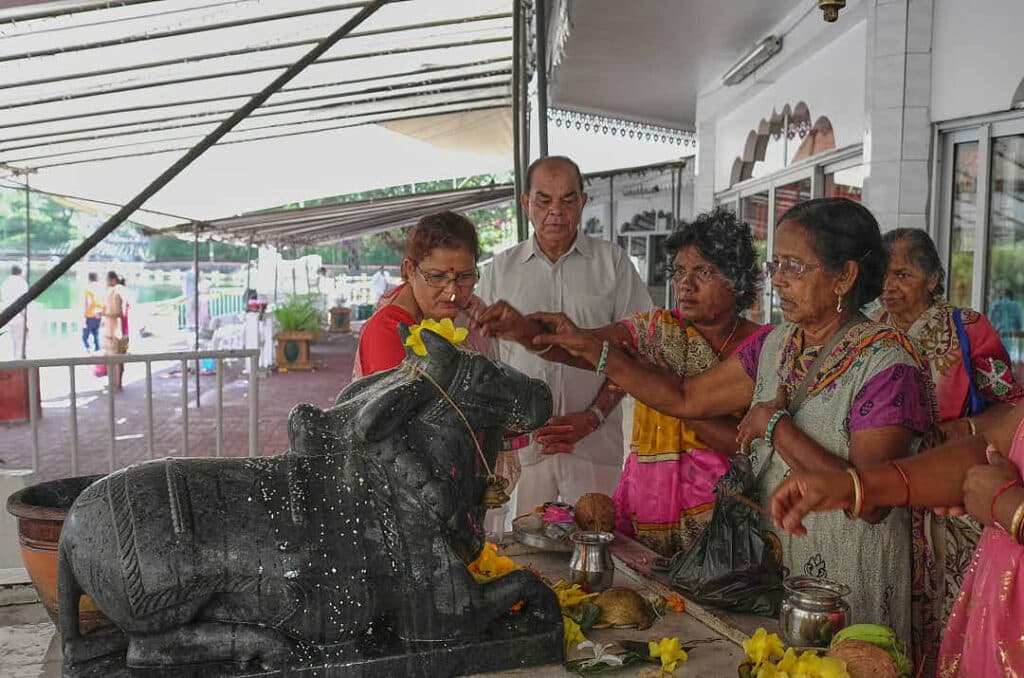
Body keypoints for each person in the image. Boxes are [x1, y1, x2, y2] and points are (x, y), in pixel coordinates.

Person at [480, 197, 933, 650]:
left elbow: (870, 499)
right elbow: (686, 396)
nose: (779, 279)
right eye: (777, 264)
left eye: (796, 266)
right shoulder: (779, 345)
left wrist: (775, 426)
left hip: (847, 579)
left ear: (845, 276)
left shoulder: (886, 365)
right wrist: (593, 349)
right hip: (780, 571)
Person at [768, 402, 1024, 677]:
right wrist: (856, 486)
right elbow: (990, 448)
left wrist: (1011, 510)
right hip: (997, 618)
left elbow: (999, 490)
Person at [876, 228, 1023, 672]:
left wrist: (966, 427)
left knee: (950, 600)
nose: (889, 285)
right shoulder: (869, 333)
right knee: (893, 599)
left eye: (902, 273)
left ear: (934, 278)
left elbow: (1010, 401)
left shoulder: (968, 327)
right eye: (884, 273)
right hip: (892, 491)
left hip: (960, 496)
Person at [476, 155, 652, 521]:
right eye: (544, 199)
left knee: (596, 552)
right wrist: (512, 422)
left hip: (594, 446)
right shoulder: (500, 271)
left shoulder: (614, 264)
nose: (556, 211)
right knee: (521, 559)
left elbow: (639, 347)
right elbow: (485, 359)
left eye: (568, 199)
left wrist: (594, 415)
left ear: (583, 202)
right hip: (524, 451)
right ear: (526, 203)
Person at [352, 211, 516, 536]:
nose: (453, 292)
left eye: (465, 277)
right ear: (409, 270)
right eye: (437, 277)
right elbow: (401, 440)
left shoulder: (471, 314)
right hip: (406, 499)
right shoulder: (389, 332)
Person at [102, 271, 128, 391]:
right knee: (111, 358)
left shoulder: (117, 293)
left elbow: (119, 313)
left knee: (117, 359)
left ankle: (118, 384)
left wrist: (104, 314)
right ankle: (114, 382)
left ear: (113, 280)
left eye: (107, 280)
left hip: (116, 330)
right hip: (110, 329)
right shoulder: (112, 292)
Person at [0, 264, 28, 359]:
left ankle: (12, 364)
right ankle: (19, 366)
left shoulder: (5, 283)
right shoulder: (21, 283)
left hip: (7, 317)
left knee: (11, 343)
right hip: (19, 317)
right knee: (20, 343)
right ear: (20, 272)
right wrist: (26, 319)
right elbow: (22, 303)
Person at [82, 272, 103, 353]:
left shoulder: (88, 289)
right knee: (96, 335)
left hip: (90, 315)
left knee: (85, 336)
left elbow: (87, 302)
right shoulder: (100, 288)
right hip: (99, 314)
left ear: (89, 278)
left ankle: (88, 350)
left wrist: (84, 315)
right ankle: (97, 352)